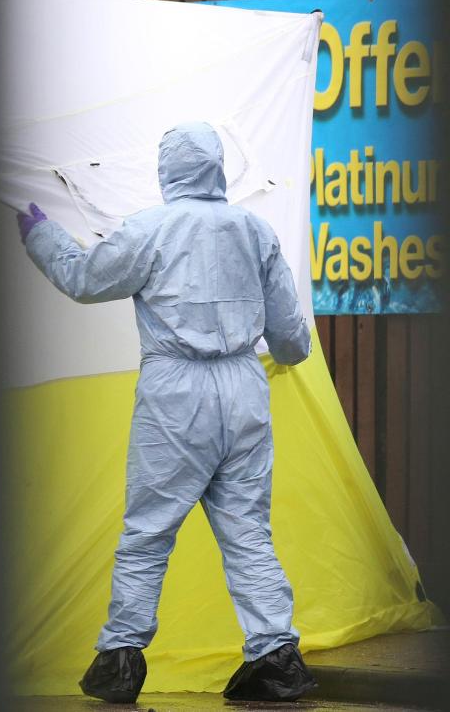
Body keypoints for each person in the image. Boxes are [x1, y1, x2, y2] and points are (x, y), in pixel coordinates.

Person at [16, 122, 317, 703]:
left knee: (149, 532)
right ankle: (277, 655)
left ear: (168, 170)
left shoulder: (150, 230)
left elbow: (84, 279)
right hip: (245, 387)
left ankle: (121, 660)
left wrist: (41, 235)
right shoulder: (255, 230)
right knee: (248, 531)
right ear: (218, 168)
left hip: (176, 394)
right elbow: (292, 341)